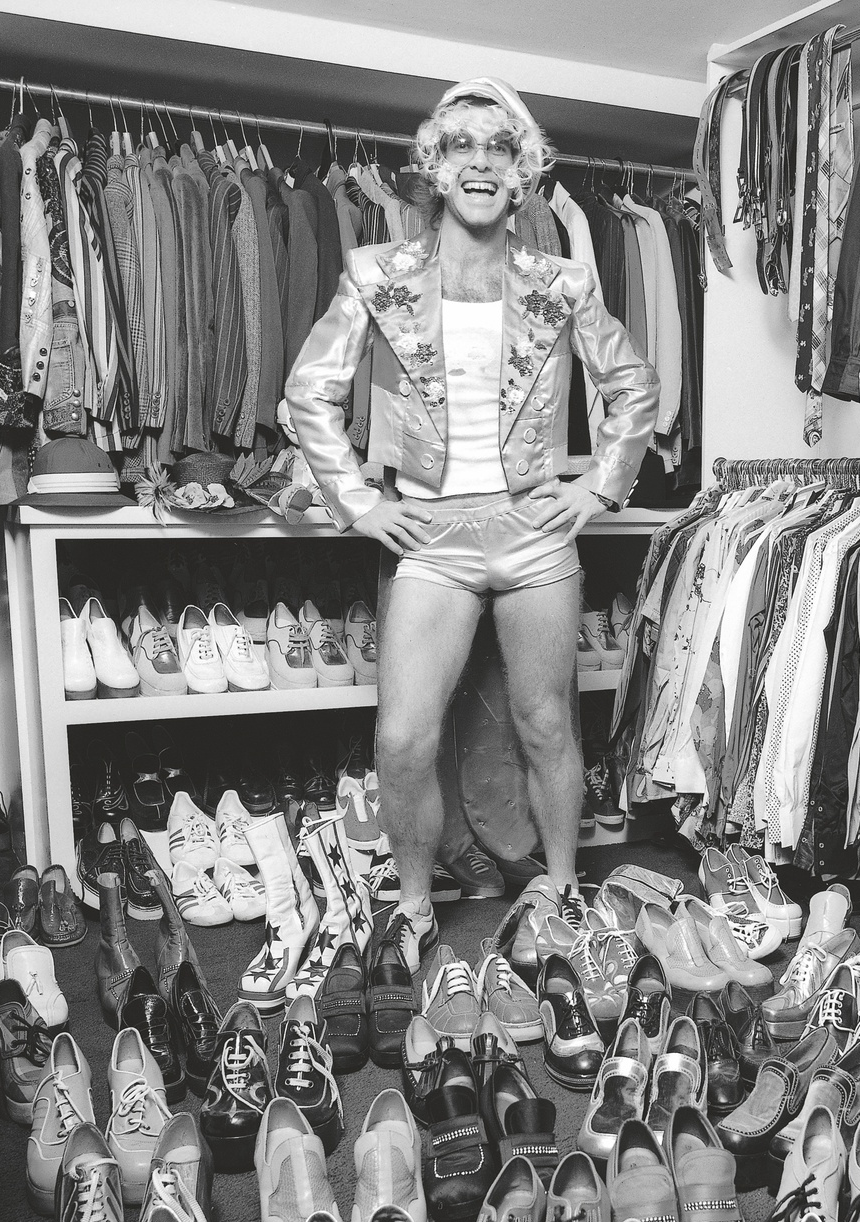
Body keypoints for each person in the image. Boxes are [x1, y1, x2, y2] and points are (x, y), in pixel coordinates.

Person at [286, 77, 658, 968]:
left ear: (523, 172)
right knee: (404, 734)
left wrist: (599, 487)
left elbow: (633, 388)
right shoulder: (379, 273)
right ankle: (414, 908)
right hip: (434, 537)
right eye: (462, 147)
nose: (481, 162)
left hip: (536, 537)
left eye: (500, 147)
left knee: (545, 724)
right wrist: (362, 502)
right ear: (435, 166)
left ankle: (561, 891)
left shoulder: (563, 281)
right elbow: (310, 389)